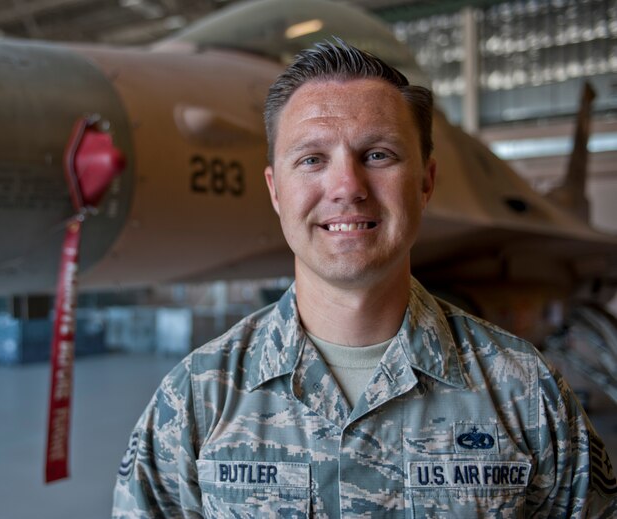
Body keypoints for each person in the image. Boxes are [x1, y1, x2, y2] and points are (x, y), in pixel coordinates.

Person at [112, 39, 617, 517]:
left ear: (426, 183)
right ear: (275, 191)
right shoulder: (193, 399)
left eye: (378, 155)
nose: (347, 187)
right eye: (312, 159)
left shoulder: (528, 393)